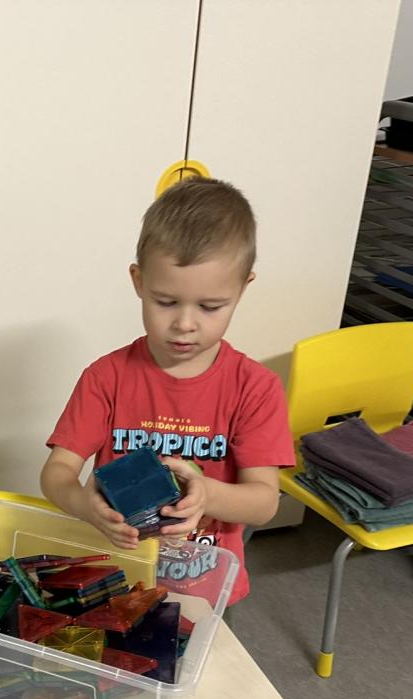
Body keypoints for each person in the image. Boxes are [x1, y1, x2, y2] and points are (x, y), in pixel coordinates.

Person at [39, 178, 294, 604]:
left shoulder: (256, 388)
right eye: (166, 302)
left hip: (204, 586)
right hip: (117, 582)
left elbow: (264, 503)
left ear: (243, 288)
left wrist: (207, 494)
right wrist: (85, 504)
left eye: (210, 307)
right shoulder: (106, 377)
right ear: (138, 281)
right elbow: (56, 473)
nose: (185, 324)